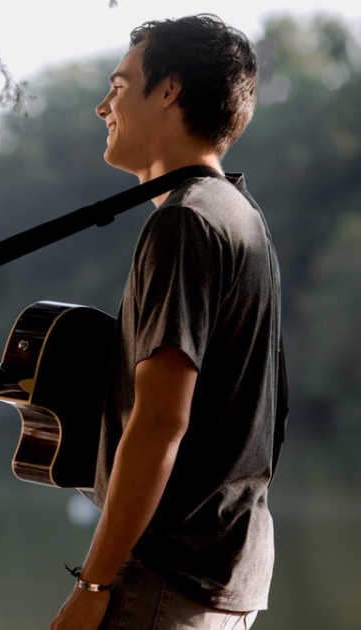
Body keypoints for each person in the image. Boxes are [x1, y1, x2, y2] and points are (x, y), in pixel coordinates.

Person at [51, 15, 286, 630]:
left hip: (164, 584)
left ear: (170, 91)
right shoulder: (240, 214)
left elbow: (160, 421)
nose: (103, 106)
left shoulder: (185, 222)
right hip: (225, 576)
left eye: (120, 87)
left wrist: (95, 583)